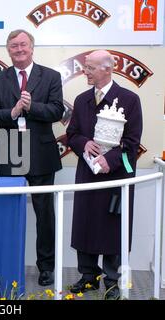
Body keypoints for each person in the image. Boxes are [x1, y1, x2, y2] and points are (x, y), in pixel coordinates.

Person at [0, 29, 64, 286]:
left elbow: (56, 111)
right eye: (13, 46)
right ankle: (6, 263)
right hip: (9, 150)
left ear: (32, 47)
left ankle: (46, 267)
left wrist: (31, 107)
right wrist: (14, 111)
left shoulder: (51, 76)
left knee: (44, 213)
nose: (18, 50)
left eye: (23, 45)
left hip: (41, 153)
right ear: (8, 50)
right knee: (6, 211)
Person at [66, 50, 143, 300]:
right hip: (87, 175)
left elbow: (132, 144)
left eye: (90, 68)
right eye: (85, 67)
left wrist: (109, 160)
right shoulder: (80, 100)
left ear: (108, 69)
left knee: (113, 231)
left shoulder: (130, 100)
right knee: (85, 226)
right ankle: (88, 277)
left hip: (115, 177)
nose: (85, 72)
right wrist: (84, 144)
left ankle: (112, 282)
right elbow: (73, 134)